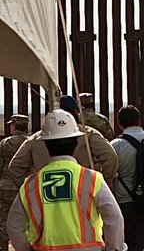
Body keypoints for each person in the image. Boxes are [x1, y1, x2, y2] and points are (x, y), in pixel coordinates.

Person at [6, 108, 125, 251]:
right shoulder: (92, 179)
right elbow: (114, 217)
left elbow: (14, 226)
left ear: (46, 145)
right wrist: (114, 248)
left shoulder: (30, 185)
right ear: (76, 143)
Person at [8, 96, 117, 190]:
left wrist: (31, 189)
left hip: (47, 194)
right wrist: (106, 181)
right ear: (75, 112)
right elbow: (110, 155)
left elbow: (15, 166)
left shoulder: (36, 138)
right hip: (82, 189)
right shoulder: (87, 133)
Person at [111, 103, 144, 251]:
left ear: (119, 124)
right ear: (139, 121)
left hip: (127, 205)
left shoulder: (115, 146)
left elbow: (109, 174)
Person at [0, 114, 29, 251]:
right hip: (26, 187)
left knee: (3, 219)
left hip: (7, 187)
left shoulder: (6, 143)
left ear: (14, 126)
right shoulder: (30, 143)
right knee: (27, 219)